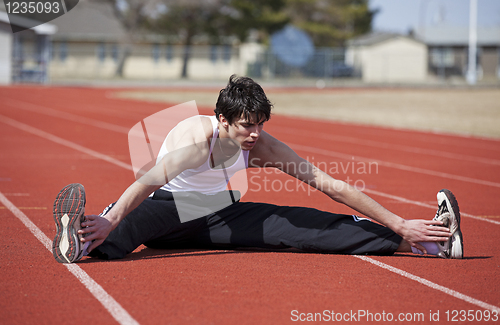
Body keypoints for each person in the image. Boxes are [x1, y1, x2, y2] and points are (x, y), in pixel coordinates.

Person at [51, 75, 463, 264]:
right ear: (224, 120)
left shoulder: (261, 145)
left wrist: (400, 223)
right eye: (248, 125)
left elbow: (328, 184)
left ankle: (430, 242)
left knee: (304, 226)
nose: (255, 133)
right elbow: (148, 180)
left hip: (220, 213)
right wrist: (112, 218)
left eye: (261, 123)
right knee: (124, 226)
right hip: (170, 205)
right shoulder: (199, 140)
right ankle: (83, 238)